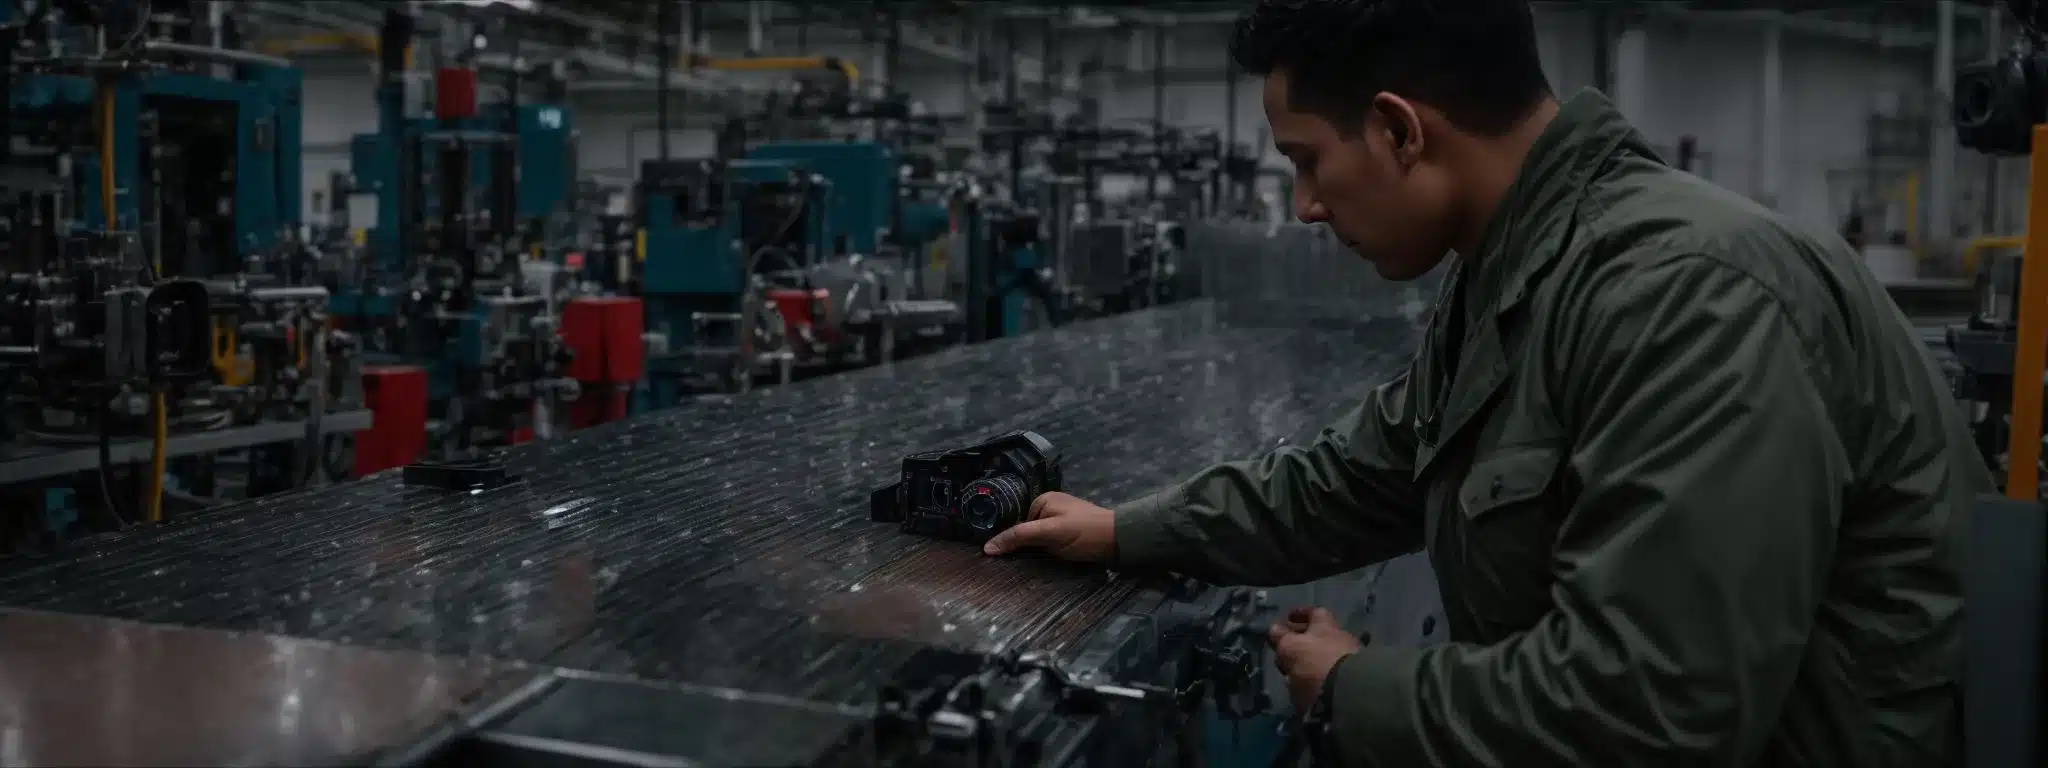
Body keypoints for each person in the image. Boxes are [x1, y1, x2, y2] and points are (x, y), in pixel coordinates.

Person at [981, 0, 1984, 765]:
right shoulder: (1520, 272)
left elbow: (1656, 713)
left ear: (1398, 129)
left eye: (1307, 162)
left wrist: (1354, 689)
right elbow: (1359, 477)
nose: (1304, 207)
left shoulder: (1680, 296)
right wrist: (1122, 531)